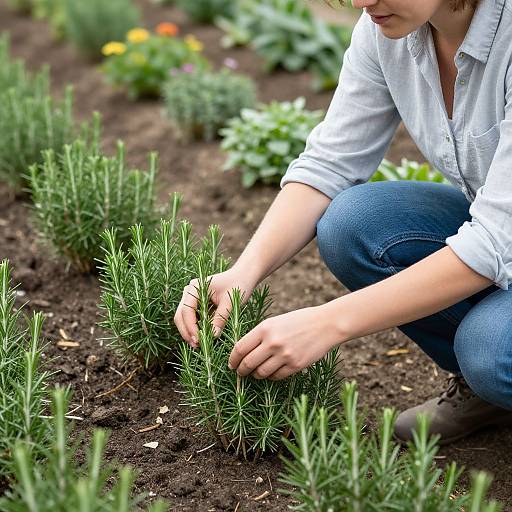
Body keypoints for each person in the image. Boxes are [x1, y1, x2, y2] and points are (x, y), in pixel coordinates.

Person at [174, 0, 512, 444]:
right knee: (352, 223)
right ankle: (490, 396)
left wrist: (328, 323)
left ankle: (492, 373)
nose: (361, 2)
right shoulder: (391, 31)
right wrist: (243, 272)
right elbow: (330, 163)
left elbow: (493, 239)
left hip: (501, 235)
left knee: (489, 350)